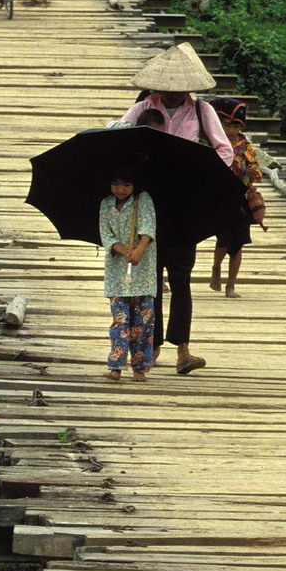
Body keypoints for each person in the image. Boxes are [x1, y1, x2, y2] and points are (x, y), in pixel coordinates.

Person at [119, 42, 232, 375]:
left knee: (180, 278)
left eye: (178, 89)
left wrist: (202, 176)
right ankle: (151, 346)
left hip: (185, 203)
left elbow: (224, 151)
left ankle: (183, 349)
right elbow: (118, 136)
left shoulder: (202, 111)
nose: (170, 94)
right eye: (166, 89)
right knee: (150, 278)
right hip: (149, 204)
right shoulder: (142, 109)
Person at [98, 168, 157, 382]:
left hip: (142, 271)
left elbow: (148, 228)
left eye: (126, 185)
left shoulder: (143, 200)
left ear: (134, 185)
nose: (120, 190)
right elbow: (105, 233)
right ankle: (116, 365)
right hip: (117, 272)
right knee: (119, 320)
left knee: (143, 320)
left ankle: (139, 367)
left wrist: (139, 249)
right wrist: (121, 249)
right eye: (115, 184)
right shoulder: (105, 204)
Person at [207, 98, 261, 299]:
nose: (230, 130)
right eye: (226, 125)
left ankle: (231, 284)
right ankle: (216, 267)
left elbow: (255, 168)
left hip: (241, 198)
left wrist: (249, 172)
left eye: (235, 126)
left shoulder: (246, 146)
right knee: (223, 239)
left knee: (238, 243)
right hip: (220, 198)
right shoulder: (214, 143)